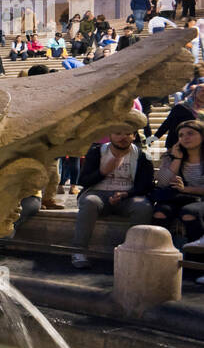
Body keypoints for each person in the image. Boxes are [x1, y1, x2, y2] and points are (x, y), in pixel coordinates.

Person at [71, 118, 155, 269]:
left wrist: (126, 194)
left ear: (134, 136)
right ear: (109, 135)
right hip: (98, 193)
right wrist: (103, 171)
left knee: (143, 207)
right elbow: (83, 180)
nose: (122, 137)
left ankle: (132, 253)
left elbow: (146, 185)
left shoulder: (143, 156)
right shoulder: (97, 152)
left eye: (128, 134)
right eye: (117, 133)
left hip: (127, 196)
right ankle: (79, 250)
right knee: (90, 202)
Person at [151, 120, 204, 251]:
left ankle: (195, 261)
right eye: (181, 135)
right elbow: (163, 182)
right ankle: (159, 253)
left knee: (189, 213)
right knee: (160, 213)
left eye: (190, 133)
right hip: (178, 197)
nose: (185, 138)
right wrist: (177, 159)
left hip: (199, 199)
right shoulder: (171, 155)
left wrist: (186, 189)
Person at [153, 83, 204, 151]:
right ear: (195, 92)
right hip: (177, 145)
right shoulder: (181, 107)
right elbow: (167, 123)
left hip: (198, 147)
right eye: (202, 91)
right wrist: (153, 139)